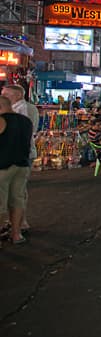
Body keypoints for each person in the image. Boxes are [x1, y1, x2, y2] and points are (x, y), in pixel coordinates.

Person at [0, 96, 33, 247]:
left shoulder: (2, 120)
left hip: (3, 167)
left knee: (1, 204)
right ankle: (16, 234)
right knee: (17, 200)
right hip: (22, 166)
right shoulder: (26, 121)